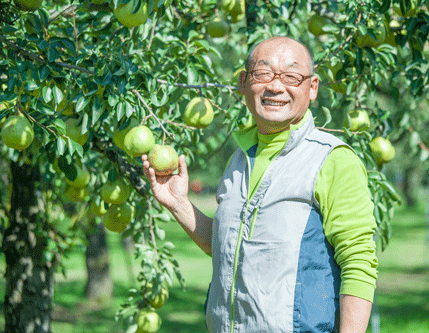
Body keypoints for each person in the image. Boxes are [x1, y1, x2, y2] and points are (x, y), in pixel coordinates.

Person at [143, 36, 378, 333]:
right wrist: (179, 204)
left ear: (313, 87)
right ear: (243, 83)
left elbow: (358, 262)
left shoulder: (331, 159)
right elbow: (228, 247)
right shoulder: (240, 159)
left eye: (292, 76)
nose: (276, 87)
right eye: (262, 73)